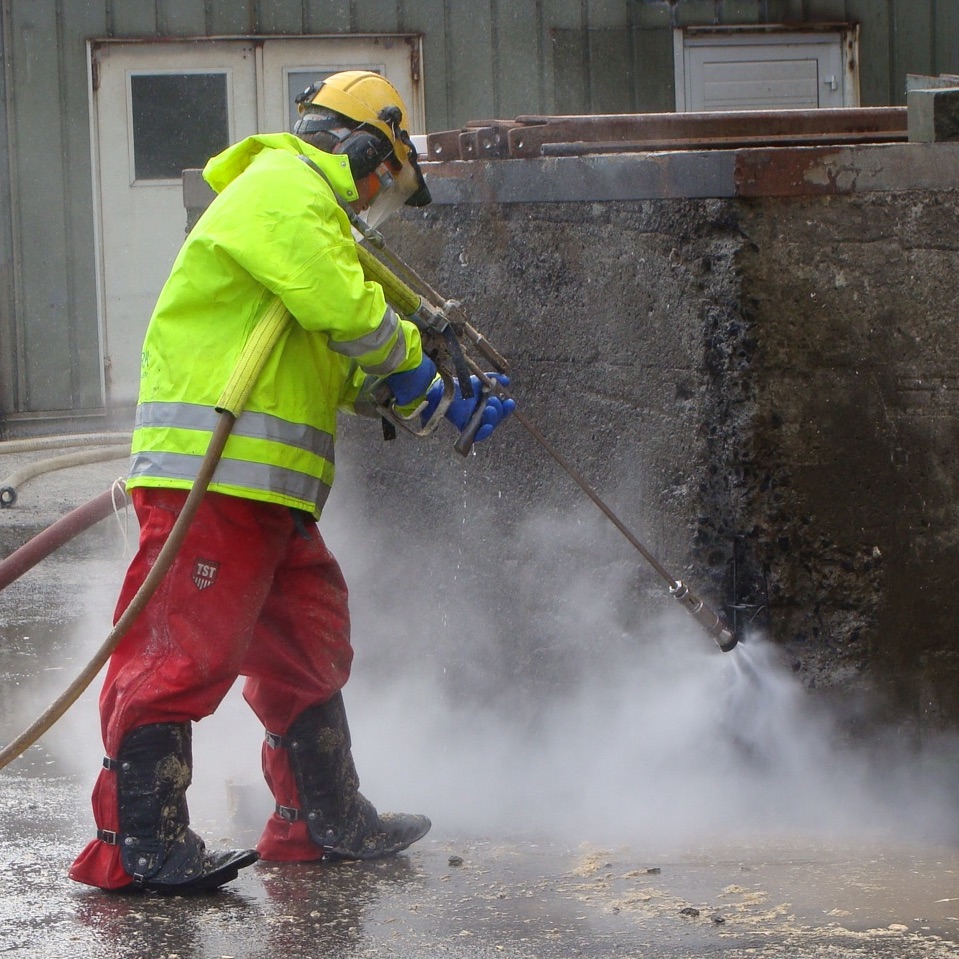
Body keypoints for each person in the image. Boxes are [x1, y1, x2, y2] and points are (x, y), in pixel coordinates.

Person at [69, 71, 514, 894]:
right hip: (215, 476)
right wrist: (415, 366)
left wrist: (413, 394)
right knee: (178, 651)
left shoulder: (310, 223)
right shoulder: (281, 185)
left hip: (269, 492)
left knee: (308, 643)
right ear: (360, 147)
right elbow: (342, 305)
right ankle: (137, 843)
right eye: (384, 177)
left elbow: (326, 356)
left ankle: (320, 818)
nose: (377, 199)